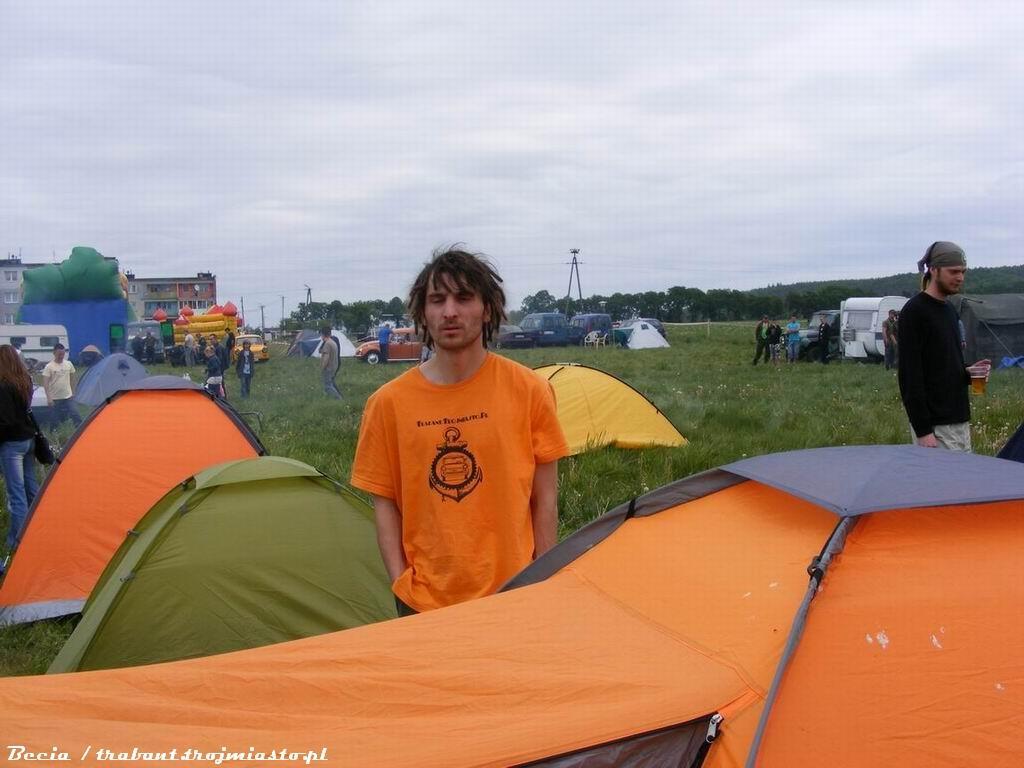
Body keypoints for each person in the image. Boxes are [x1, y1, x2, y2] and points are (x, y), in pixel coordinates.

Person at [351, 246, 569, 616]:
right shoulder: (387, 404)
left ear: (487, 308)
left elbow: (545, 498)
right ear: (423, 312)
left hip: (515, 594)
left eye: (464, 298)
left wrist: (542, 581)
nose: (449, 311)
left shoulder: (529, 390)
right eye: (437, 300)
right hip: (424, 602)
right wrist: (401, 584)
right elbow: (385, 504)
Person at [898, 241, 990, 452]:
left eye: (963, 272)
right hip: (936, 427)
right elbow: (910, 376)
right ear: (933, 269)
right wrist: (923, 431)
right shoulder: (915, 312)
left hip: (959, 420)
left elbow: (942, 364)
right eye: (954, 271)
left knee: (964, 474)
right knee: (942, 476)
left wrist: (968, 372)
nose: (960, 278)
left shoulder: (949, 309)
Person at [0, 344, 40, 557]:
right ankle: (39, 528)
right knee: (32, 489)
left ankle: (18, 542)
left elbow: (5, 422)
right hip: (28, 440)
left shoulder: (3, 386)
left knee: (16, 494)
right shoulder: (25, 381)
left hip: (12, 445)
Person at [42, 343, 82, 427]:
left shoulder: (69, 364)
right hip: (55, 398)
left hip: (68, 396)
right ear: (54, 353)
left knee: (75, 412)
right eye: (59, 354)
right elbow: (45, 384)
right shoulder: (49, 367)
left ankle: (80, 428)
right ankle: (54, 431)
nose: (61, 356)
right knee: (54, 417)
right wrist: (49, 398)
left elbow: (72, 379)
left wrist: (73, 392)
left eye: (63, 354)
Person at [319, 326, 342, 399]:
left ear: (323, 334)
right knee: (331, 383)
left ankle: (338, 399)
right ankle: (331, 397)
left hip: (328, 368)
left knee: (328, 386)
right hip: (334, 366)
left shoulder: (327, 344)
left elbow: (326, 357)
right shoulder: (333, 342)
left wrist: (323, 367)